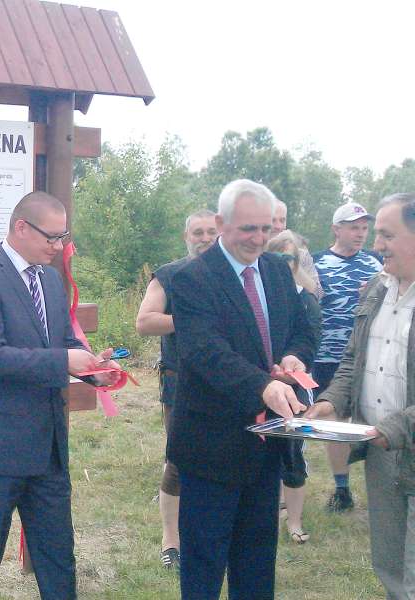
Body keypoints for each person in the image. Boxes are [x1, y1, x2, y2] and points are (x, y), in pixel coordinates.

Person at [0, 191, 118, 600]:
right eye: (51, 238)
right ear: (21, 227)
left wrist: (93, 369)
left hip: (48, 448)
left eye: (63, 238)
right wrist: (64, 362)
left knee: (58, 556)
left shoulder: (51, 280)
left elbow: (60, 341)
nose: (58, 248)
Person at [167, 179, 316, 599]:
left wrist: (293, 359)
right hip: (211, 445)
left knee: (256, 560)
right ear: (220, 223)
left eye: (266, 228)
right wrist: (262, 386)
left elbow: (302, 330)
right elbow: (203, 351)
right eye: (248, 228)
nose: (259, 238)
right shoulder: (192, 278)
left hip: (265, 445)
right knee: (204, 564)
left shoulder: (275, 270)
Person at [307, 192, 415, 600]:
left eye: (386, 234)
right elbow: (352, 361)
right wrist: (331, 401)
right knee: (389, 564)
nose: (375, 245)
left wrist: (389, 428)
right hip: (381, 454)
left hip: (400, 443)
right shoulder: (376, 289)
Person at [135, 208, 217, 569]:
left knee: (222, 460)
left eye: (211, 232)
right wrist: (191, 322)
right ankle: (172, 542)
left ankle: (212, 535)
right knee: (180, 460)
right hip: (181, 379)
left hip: (229, 382)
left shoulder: (237, 276)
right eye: (197, 232)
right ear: (187, 237)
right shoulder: (170, 275)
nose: (205, 239)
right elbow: (145, 322)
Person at [312, 202, 382, 512]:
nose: (360, 233)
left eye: (364, 228)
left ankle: (383, 486)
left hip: (368, 358)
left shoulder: (377, 266)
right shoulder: (316, 264)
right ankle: (342, 489)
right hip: (327, 357)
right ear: (336, 228)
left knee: (372, 421)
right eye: (354, 227)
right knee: (335, 423)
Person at [267, 230, 323, 544]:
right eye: (279, 257)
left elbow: (310, 343)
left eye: (291, 258)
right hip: (263, 384)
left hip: (296, 386)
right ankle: (270, 516)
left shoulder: (306, 296)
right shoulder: (261, 291)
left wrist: (293, 361)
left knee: (292, 453)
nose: (285, 263)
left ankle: (295, 522)